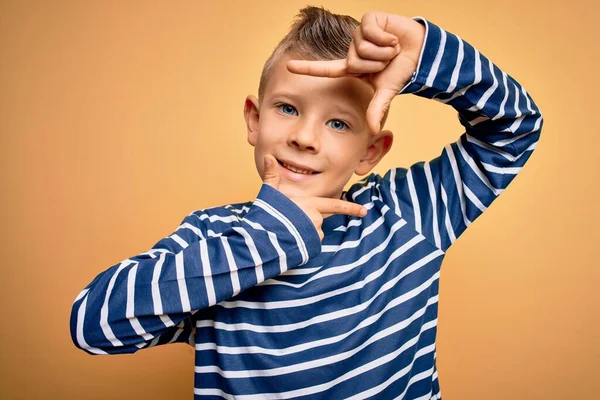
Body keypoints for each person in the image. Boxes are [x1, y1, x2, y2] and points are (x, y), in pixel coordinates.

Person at [70, 6, 543, 399]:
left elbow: (516, 127)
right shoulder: (214, 238)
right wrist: (266, 239)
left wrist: (425, 55)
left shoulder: (405, 215)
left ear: (370, 152)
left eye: (338, 123)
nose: (304, 138)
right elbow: (94, 326)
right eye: (288, 109)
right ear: (254, 121)